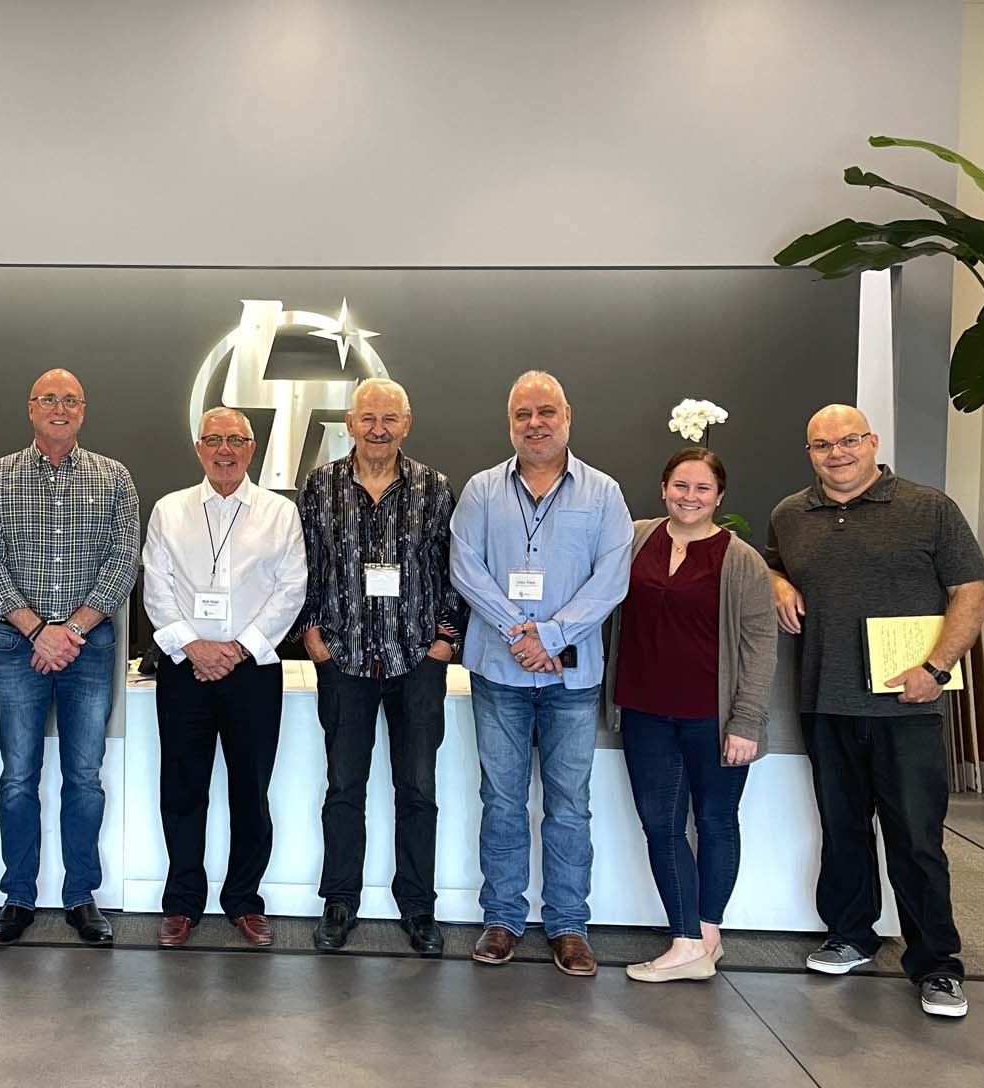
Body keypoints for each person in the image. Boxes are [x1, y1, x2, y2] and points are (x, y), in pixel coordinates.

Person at [767, 404, 984, 1018]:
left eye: (848, 441)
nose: (836, 453)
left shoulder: (929, 508)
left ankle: (937, 963)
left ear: (873, 442)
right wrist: (779, 581)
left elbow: (970, 590)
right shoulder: (791, 514)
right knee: (842, 832)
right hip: (824, 701)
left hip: (908, 704)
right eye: (821, 445)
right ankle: (851, 934)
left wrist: (937, 670)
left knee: (916, 838)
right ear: (809, 452)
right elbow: (769, 562)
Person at [450, 371, 631, 977]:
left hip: (572, 680)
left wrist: (550, 636)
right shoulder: (480, 491)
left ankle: (567, 925)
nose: (535, 422)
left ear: (568, 416)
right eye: (523, 413)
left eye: (546, 411)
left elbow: (612, 579)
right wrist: (518, 635)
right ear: (510, 422)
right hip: (499, 672)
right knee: (500, 801)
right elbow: (465, 569)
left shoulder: (604, 494)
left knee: (569, 805)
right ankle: (502, 919)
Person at [295, 378, 465, 956]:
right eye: (368, 418)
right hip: (342, 661)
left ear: (406, 424)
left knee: (417, 789)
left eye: (389, 418)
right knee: (344, 788)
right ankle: (339, 901)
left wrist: (444, 642)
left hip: (416, 661)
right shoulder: (320, 486)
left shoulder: (434, 488)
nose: (378, 429)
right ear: (349, 423)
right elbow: (307, 571)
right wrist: (314, 639)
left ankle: (418, 906)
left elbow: (455, 573)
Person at [0, 369, 140, 946]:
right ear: (31, 408)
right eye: (49, 399)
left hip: (88, 648)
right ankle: (18, 895)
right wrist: (39, 630)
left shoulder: (114, 478)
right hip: (17, 645)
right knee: (18, 777)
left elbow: (124, 562)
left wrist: (69, 630)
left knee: (84, 778)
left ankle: (80, 896)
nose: (60, 408)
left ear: (84, 410)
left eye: (71, 400)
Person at [604, 448, 776, 982]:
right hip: (644, 710)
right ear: (663, 488)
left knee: (716, 822)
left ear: (719, 497)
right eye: (681, 485)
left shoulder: (740, 559)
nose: (690, 497)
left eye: (702, 489)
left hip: (714, 717)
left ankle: (704, 937)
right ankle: (687, 940)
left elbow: (760, 644)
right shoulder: (634, 537)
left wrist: (746, 721)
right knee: (661, 825)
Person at [141, 407, 306, 948]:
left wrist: (236, 649)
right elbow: (157, 587)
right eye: (214, 439)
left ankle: (244, 901)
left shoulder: (280, 513)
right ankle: (182, 903)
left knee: (250, 792)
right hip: (185, 670)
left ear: (252, 448)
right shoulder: (170, 510)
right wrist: (192, 646)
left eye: (236, 439)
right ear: (198, 447)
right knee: (182, 790)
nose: (225, 449)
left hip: (252, 671)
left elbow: (290, 591)